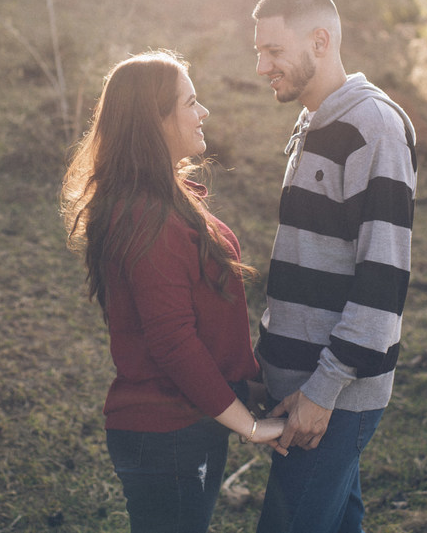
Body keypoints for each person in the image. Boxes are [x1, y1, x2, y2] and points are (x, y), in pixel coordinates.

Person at [61, 49, 287, 533]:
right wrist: (249, 426)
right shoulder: (147, 218)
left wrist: (248, 389)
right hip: (166, 433)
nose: (203, 112)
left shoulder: (163, 204)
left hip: (186, 424)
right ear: (155, 121)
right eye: (191, 102)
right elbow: (172, 342)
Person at [251, 0, 418, 533]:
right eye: (259, 52)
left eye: (273, 51)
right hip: (299, 380)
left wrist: (322, 391)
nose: (261, 66)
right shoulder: (314, 121)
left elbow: (383, 281)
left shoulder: (375, 128)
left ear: (319, 41)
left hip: (331, 394)